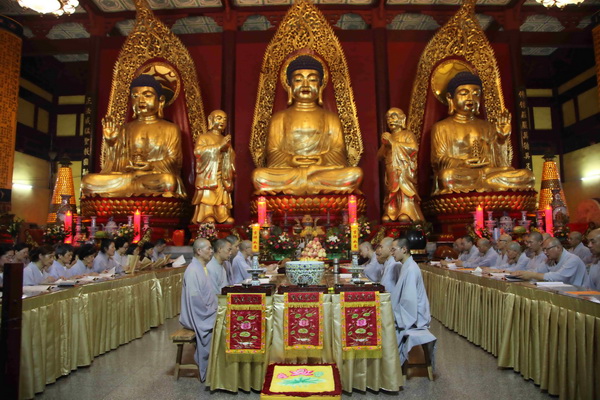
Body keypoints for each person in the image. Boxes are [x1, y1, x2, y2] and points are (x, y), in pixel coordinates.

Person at [252, 54, 363, 195]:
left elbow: (338, 153)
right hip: (290, 173)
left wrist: (321, 160)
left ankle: (299, 188)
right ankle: (311, 187)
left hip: (320, 172)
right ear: (290, 86)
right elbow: (273, 153)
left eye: (312, 80)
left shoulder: (331, 118)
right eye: (298, 80)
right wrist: (291, 160)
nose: (305, 85)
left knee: (354, 174)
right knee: (259, 176)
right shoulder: (279, 118)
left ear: (320, 86)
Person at [430, 71, 534, 195]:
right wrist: (462, 163)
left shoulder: (488, 126)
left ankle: (488, 183)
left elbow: (501, 164)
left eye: (476, 94)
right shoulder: (441, 127)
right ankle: (489, 184)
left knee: (527, 176)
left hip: (489, 172)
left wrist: (502, 139)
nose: (470, 98)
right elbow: (437, 160)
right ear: (450, 98)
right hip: (464, 175)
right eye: (463, 93)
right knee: (447, 176)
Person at [81, 74, 185, 197]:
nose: (141, 100)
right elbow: (114, 168)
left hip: (151, 178)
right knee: (87, 181)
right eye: (135, 96)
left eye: (147, 95)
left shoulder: (171, 129)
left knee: (168, 181)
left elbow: (175, 161)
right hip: (127, 179)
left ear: (160, 101)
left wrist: (150, 165)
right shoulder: (125, 129)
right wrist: (111, 143)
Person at [390, 237, 436, 365]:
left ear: (404, 249)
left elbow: (409, 302)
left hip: (414, 317)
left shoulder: (410, 269)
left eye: (394, 250)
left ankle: (390, 367)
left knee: (386, 326)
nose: (392, 253)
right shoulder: (406, 265)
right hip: (409, 311)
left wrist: (395, 316)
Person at [179, 238, 218, 382]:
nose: (211, 251)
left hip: (205, 311)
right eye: (208, 248)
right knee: (223, 322)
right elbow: (195, 301)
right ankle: (214, 367)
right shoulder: (193, 270)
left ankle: (218, 366)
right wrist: (212, 311)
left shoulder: (201, 267)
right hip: (198, 315)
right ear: (199, 251)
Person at [377, 107, 424, 222]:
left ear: (402, 119)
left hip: (404, 170)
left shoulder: (407, 134)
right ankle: (391, 212)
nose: (390, 120)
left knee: (404, 190)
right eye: (388, 117)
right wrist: (384, 145)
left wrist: (393, 142)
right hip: (391, 170)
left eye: (394, 116)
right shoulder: (389, 137)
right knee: (392, 190)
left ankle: (406, 211)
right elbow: (379, 156)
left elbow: (414, 148)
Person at [192, 110, 236, 224]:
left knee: (222, 199)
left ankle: (222, 215)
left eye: (225, 119)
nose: (222, 121)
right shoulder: (204, 137)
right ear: (210, 120)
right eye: (219, 118)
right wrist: (218, 146)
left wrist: (228, 151)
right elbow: (198, 152)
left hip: (221, 176)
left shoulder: (224, 138)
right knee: (208, 196)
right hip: (209, 174)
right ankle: (206, 215)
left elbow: (231, 157)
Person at [513, 238, 589, 286]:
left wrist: (532, 275)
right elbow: (537, 270)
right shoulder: (550, 259)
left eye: (547, 249)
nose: (545, 252)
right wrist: (521, 274)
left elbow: (559, 277)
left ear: (558, 248)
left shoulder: (572, 259)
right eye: (544, 250)